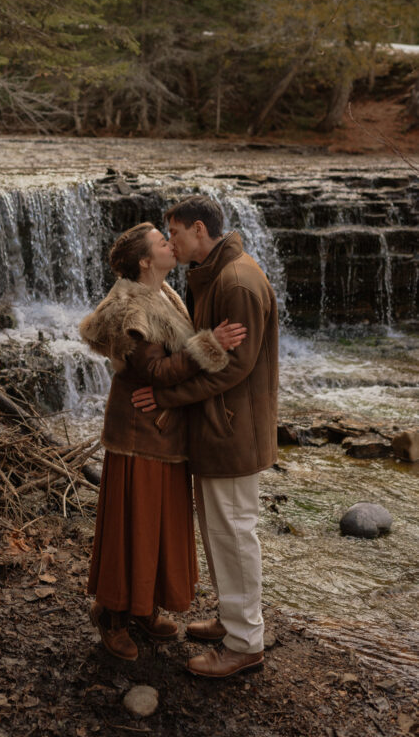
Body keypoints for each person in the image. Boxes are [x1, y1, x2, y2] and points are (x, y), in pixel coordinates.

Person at [79, 221, 247, 662]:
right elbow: (153, 374)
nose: (171, 244)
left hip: (163, 429)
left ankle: (142, 608)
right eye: (161, 242)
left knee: (156, 525)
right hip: (140, 432)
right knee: (134, 524)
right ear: (145, 261)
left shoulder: (163, 293)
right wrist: (210, 346)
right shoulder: (129, 309)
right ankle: (111, 615)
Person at [132, 194, 279, 679]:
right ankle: (232, 621)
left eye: (174, 233)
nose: (170, 243)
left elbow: (232, 370)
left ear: (199, 230)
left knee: (235, 533)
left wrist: (168, 398)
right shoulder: (219, 273)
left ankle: (244, 645)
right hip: (220, 427)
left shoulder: (236, 281)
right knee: (222, 531)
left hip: (231, 430)